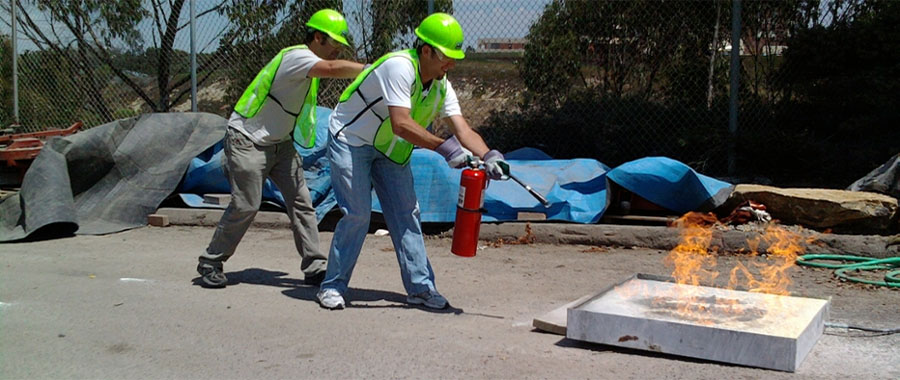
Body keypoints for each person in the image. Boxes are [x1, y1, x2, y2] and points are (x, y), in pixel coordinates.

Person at [316, 13, 510, 310]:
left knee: (407, 215)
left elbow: (463, 129)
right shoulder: (399, 67)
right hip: (352, 139)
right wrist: (444, 148)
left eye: (455, 57)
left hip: (391, 151)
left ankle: (421, 288)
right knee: (357, 214)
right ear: (426, 51)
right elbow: (401, 124)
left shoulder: (442, 85)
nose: (452, 64)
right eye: (447, 56)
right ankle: (333, 286)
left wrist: (489, 155)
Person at [197, 9, 365, 288]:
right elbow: (334, 70)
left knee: (302, 202)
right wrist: (370, 70)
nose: (337, 49)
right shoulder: (298, 57)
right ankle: (211, 261)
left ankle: (314, 266)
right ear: (318, 37)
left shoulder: (309, 63)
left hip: (280, 143)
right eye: (334, 43)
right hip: (247, 139)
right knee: (246, 205)